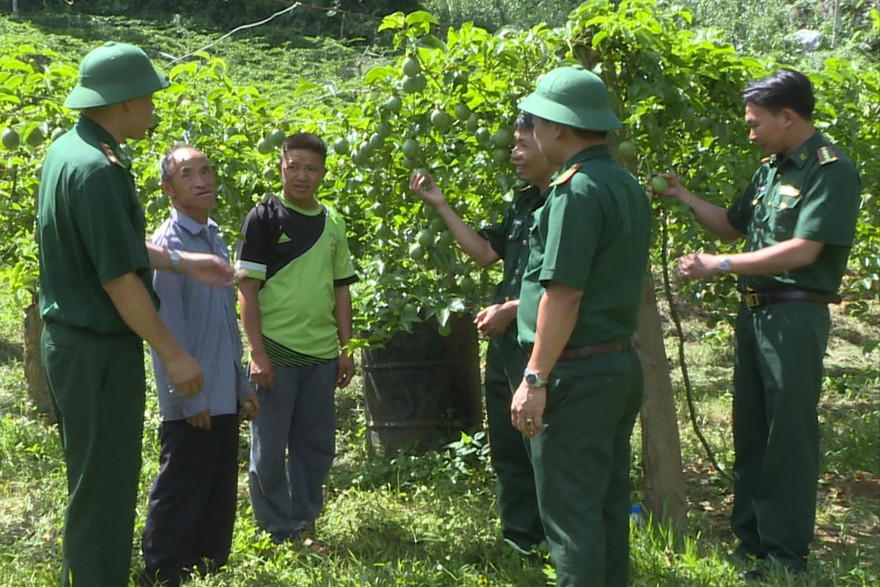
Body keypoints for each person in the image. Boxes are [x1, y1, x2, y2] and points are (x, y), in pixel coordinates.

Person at [37, 42, 234, 587]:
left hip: (75, 345)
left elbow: (109, 245)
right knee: (105, 488)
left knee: (93, 478)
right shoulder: (99, 172)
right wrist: (173, 353)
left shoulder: (68, 153)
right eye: (148, 98)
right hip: (97, 348)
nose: (153, 109)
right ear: (123, 102)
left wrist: (182, 261)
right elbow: (118, 279)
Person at [661, 69, 861, 579]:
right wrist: (684, 197)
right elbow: (733, 226)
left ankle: (785, 555)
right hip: (754, 315)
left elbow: (803, 248)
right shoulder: (770, 170)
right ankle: (750, 542)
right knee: (750, 432)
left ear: (788, 116)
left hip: (795, 314)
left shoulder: (829, 169)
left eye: (755, 124)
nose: (750, 133)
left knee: (787, 436)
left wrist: (719, 266)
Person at [513, 65, 651, 587]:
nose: (531, 130)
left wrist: (534, 378)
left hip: (576, 373)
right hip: (617, 366)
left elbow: (565, 294)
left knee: (570, 517)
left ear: (560, 129)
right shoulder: (624, 184)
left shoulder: (577, 191)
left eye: (538, 120)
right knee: (608, 506)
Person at [409, 113, 557, 554]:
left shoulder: (568, 203)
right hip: (507, 343)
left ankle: (556, 539)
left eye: (523, 144)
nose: (514, 153)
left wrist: (513, 309)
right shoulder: (525, 201)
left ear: (552, 143)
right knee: (510, 443)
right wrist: (440, 205)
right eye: (513, 144)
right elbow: (484, 253)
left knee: (544, 442)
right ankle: (520, 539)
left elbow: (567, 289)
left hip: (542, 341)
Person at [139, 145, 260, 586]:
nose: (202, 180)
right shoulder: (168, 246)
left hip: (221, 389)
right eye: (188, 173)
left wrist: (240, 382)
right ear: (169, 189)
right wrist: (185, 398)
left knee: (216, 484)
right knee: (182, 484)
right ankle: (164, 570)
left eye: (206, 170)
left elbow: (225, 323)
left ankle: (209, 566)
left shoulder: (214, 237)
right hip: (192, 391)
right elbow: (165, 329)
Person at [236, 132, 357, 549]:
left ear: (323, 173)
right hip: (276, 354)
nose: (302, 176)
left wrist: (346, 349)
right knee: (269, 447)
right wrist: (258, 354)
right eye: (294, 166)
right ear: (281, 167)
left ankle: (303, 522)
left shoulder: (333, 221)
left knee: (314, 444)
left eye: (311, 168)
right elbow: (246, 290)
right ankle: (274, 528)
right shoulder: (264, 217)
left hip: (322, 355)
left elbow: (342, 289)